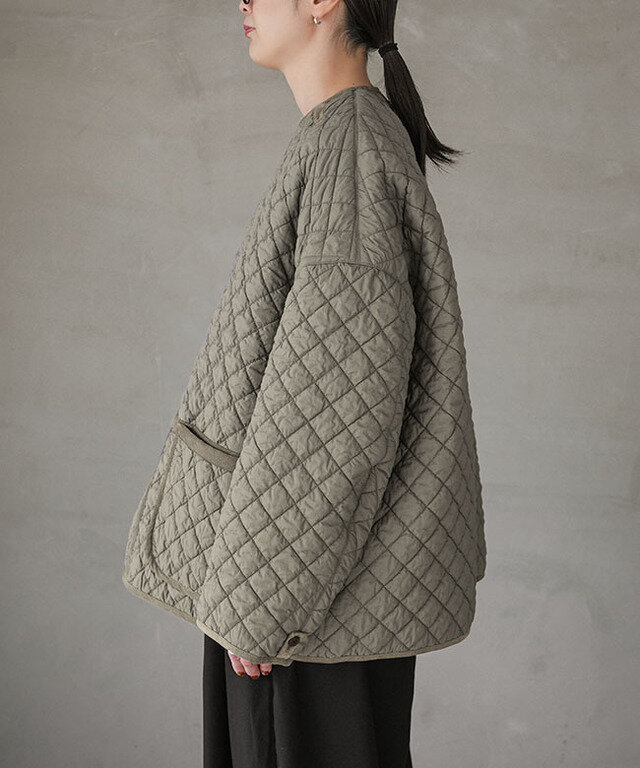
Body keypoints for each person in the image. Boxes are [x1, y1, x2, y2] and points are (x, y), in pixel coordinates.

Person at [121, 0, 486, 765]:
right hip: (304, 592)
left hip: (299, 612)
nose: (244, 2)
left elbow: (331, 416)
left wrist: (257, 606)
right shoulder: (344, 138)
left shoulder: (350, 150)